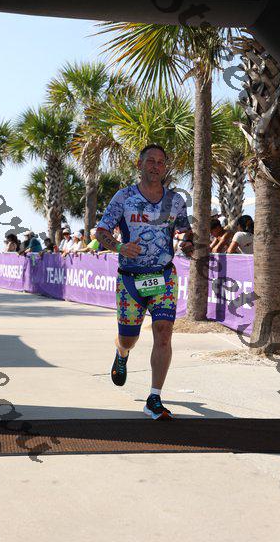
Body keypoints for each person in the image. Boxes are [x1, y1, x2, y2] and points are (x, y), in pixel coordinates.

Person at [96, 144, 192, 420]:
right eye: (150, 161)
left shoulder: (175, 201)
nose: (156, 166)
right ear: (139, 165)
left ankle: (154, 397)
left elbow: (185, 231)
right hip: (130, 279)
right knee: (129, 338)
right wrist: (119, 246)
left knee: (164, 332)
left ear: (165, 167)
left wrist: (188, 242)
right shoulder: (124, 197)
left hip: (164, 276)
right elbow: (101, 231)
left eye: (161, 162)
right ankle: (121, 352)